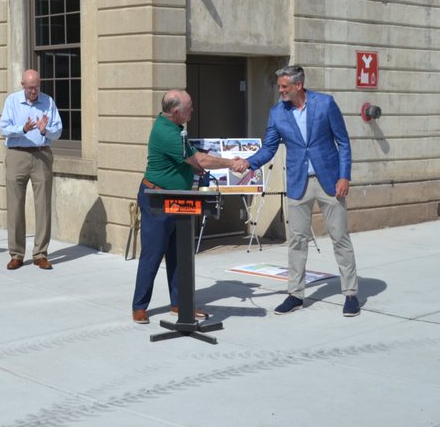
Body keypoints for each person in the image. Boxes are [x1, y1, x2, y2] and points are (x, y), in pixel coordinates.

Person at [244, 65, 359, 317]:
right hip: (298, 182)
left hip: (330, 181)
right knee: (297, 241)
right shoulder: (277, 113)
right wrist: (249, 162)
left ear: (299, 85)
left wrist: (344, 176)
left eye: (284, 86)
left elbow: (343, 141)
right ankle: (295, 295)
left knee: (339, 237)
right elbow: (269, 148)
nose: (281, 90)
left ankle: (350, 293)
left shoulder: (325, 104)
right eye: (279, 86)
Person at [132, 89, 249, 324]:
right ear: (176, 112)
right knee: (153, 255)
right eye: (189, 108)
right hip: (158, 199)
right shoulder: (167, 133)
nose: (192, 110)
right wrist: (231, 163)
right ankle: (139, 306)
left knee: (180, 254)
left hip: (176, 198)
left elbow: (190, 160)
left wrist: (192, 166)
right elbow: (200, 160)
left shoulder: (175, 128)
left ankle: (180, 304)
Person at [0, 69, 62, 270]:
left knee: (43, 206)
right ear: (22, 85)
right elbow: (3, 128)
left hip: (41, 154)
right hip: (17, 155)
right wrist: (23, 129)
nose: (34, 91)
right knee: (15, 206)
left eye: (36, 87)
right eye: (30, 87)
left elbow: (58, 129)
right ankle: (16, 253)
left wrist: (45, 130)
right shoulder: (12, 101)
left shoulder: (48, 102)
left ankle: (40, 254)